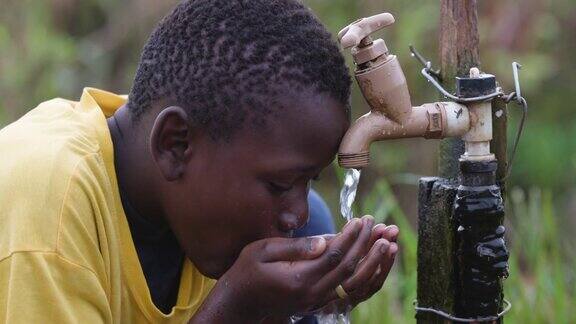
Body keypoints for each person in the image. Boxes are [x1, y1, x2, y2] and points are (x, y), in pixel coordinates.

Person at [0, 0, 399, 322]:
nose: (291, 214)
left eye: (309, 179)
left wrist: (301, 307)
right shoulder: (48, 212)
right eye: (279, 185)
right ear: (175, 145)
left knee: (314, 221)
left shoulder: (192, 196)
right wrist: (237, 309)